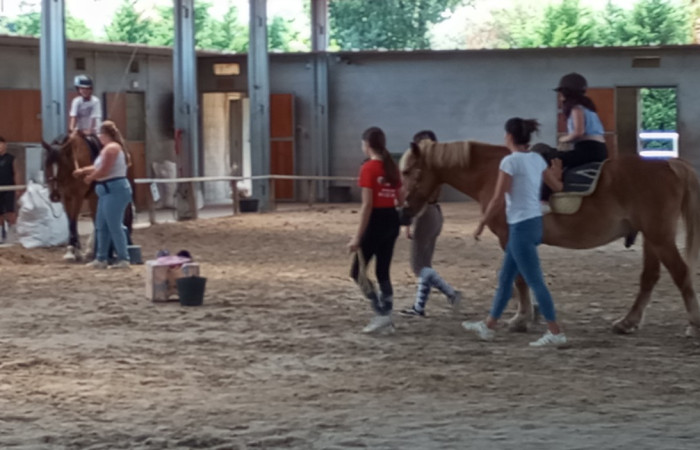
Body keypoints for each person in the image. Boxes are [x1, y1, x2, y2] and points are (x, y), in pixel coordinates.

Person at [463, 118, 567, 348]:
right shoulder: (537, 159)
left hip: (520, 227)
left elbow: (498, 198)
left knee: (536, 281)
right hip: (534, 223)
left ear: (509, 136)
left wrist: (482, 222)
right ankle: (489, 325)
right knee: (506, 278)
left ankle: (555, 332)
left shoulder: (510, 162)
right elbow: (557, 187)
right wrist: (557, 174)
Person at [400, 130, 462, 317]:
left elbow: (414, 196)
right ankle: (419, 307)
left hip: (426, 213)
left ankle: (450, 292)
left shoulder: (423, 170)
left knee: (418, 266)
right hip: (435, 213)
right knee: (425, 266)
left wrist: (409, 219)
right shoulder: (437, 167)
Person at [348, 127, 403, 334]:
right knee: (382, 271)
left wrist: (357, 237)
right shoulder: (392, 167)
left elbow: (367, 205)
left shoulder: (368, 168)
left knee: (357, 272)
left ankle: (381, 313)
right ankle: (386, 313)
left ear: (367, 144)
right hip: (392, 220)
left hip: (375, 221)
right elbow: (401, 199)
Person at [73, 121, 132, 269]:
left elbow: (104, 170)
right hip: (106, 190)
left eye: (100, 134)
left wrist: (90, 178)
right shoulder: (107, 149)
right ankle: (101, 257)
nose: (99, 137)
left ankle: (123, 258)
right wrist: (83, 170)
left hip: (114, 189)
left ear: (105, 134)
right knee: (101, 225)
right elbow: (97, 166)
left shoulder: (112, 149)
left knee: (114, 225)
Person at [69, 75, 102, 160]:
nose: (84, 91)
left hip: (94, 130)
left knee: (98, 145)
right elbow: (73, 116)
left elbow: (94, 118)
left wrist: (89, 131)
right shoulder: (76, 101)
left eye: (87, 89)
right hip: (80, 130)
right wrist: (72, 129)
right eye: (82, 89)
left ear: (91, 90)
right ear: (78, 90)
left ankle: (98, 160)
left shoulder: (95, 101)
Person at [0, 136, 22, 244]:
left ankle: (13, 234)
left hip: (9, 189)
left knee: (10, 212)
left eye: (0, 144)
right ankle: (1, 235)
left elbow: (17, 173)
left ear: (5, 145)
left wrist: (18, 188)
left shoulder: (11, 159)